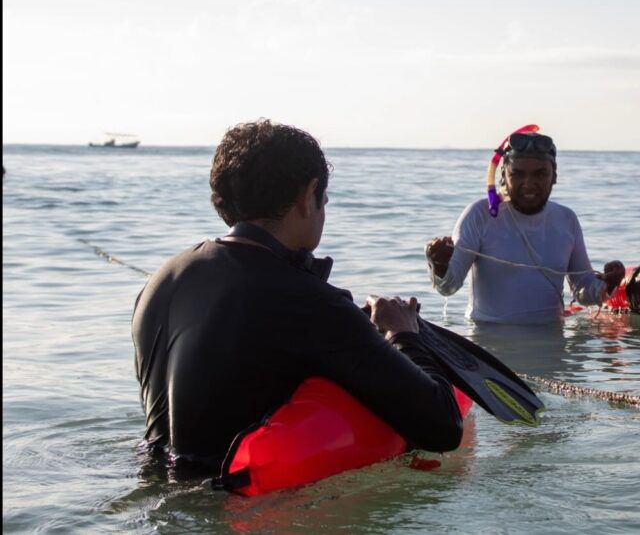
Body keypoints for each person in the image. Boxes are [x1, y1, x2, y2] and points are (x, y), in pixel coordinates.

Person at [132, 120, 462, 471]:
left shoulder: (160, 281)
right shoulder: (312, 302)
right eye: (325, 201)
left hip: (157, 497)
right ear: (309, 196)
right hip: (246, 512)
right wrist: (403, 334)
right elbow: (442, 428)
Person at [425, 130, 625, 324]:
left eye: (540, 174)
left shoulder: (566, 219)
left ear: (554, 176)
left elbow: (583, 291)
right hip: (488, 343)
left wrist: (607, 285)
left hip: (552, 345)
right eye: (518, 174)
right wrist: (439, 265)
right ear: (503, 175)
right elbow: (448, 287)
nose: (528, 184)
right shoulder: (480, 215)